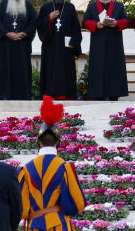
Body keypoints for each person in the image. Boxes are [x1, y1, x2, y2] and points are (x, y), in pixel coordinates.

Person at [18, 96, 87, 230]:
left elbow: (23, 209)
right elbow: (77, 204)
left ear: (38, 141)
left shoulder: (25, 170)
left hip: (35, 226)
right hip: (60, 225)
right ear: (57, 142)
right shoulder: (66, 168)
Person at [82, 0, 129, 101]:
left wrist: (116, 23)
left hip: (115, 46)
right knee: (98, 69)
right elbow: (85, 22)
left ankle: (114, 95)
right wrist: (96, 24)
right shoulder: (92, 7)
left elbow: (126, 21)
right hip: (98, 46)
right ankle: (98, 95)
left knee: (114, 70)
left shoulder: (119, 6)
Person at [36, 0, 81, 99]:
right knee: (50, 71)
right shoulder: (46, 7)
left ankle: (66, 95)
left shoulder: (70, 8)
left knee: (65, 71)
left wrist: (74, 43)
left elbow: (76, 28)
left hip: (66, 48)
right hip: (50, 46)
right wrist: (49, 18)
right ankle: (49, 95)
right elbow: (39, 24)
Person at [0, 0, 37, 100]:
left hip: (23, 45)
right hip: (7, 45)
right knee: (7, 69)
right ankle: (5, 95)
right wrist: (8, 33)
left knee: (23, 69)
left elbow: (33, 22)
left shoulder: (28, 6)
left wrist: (24, 33)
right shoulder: (3, 5)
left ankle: (24, 95)